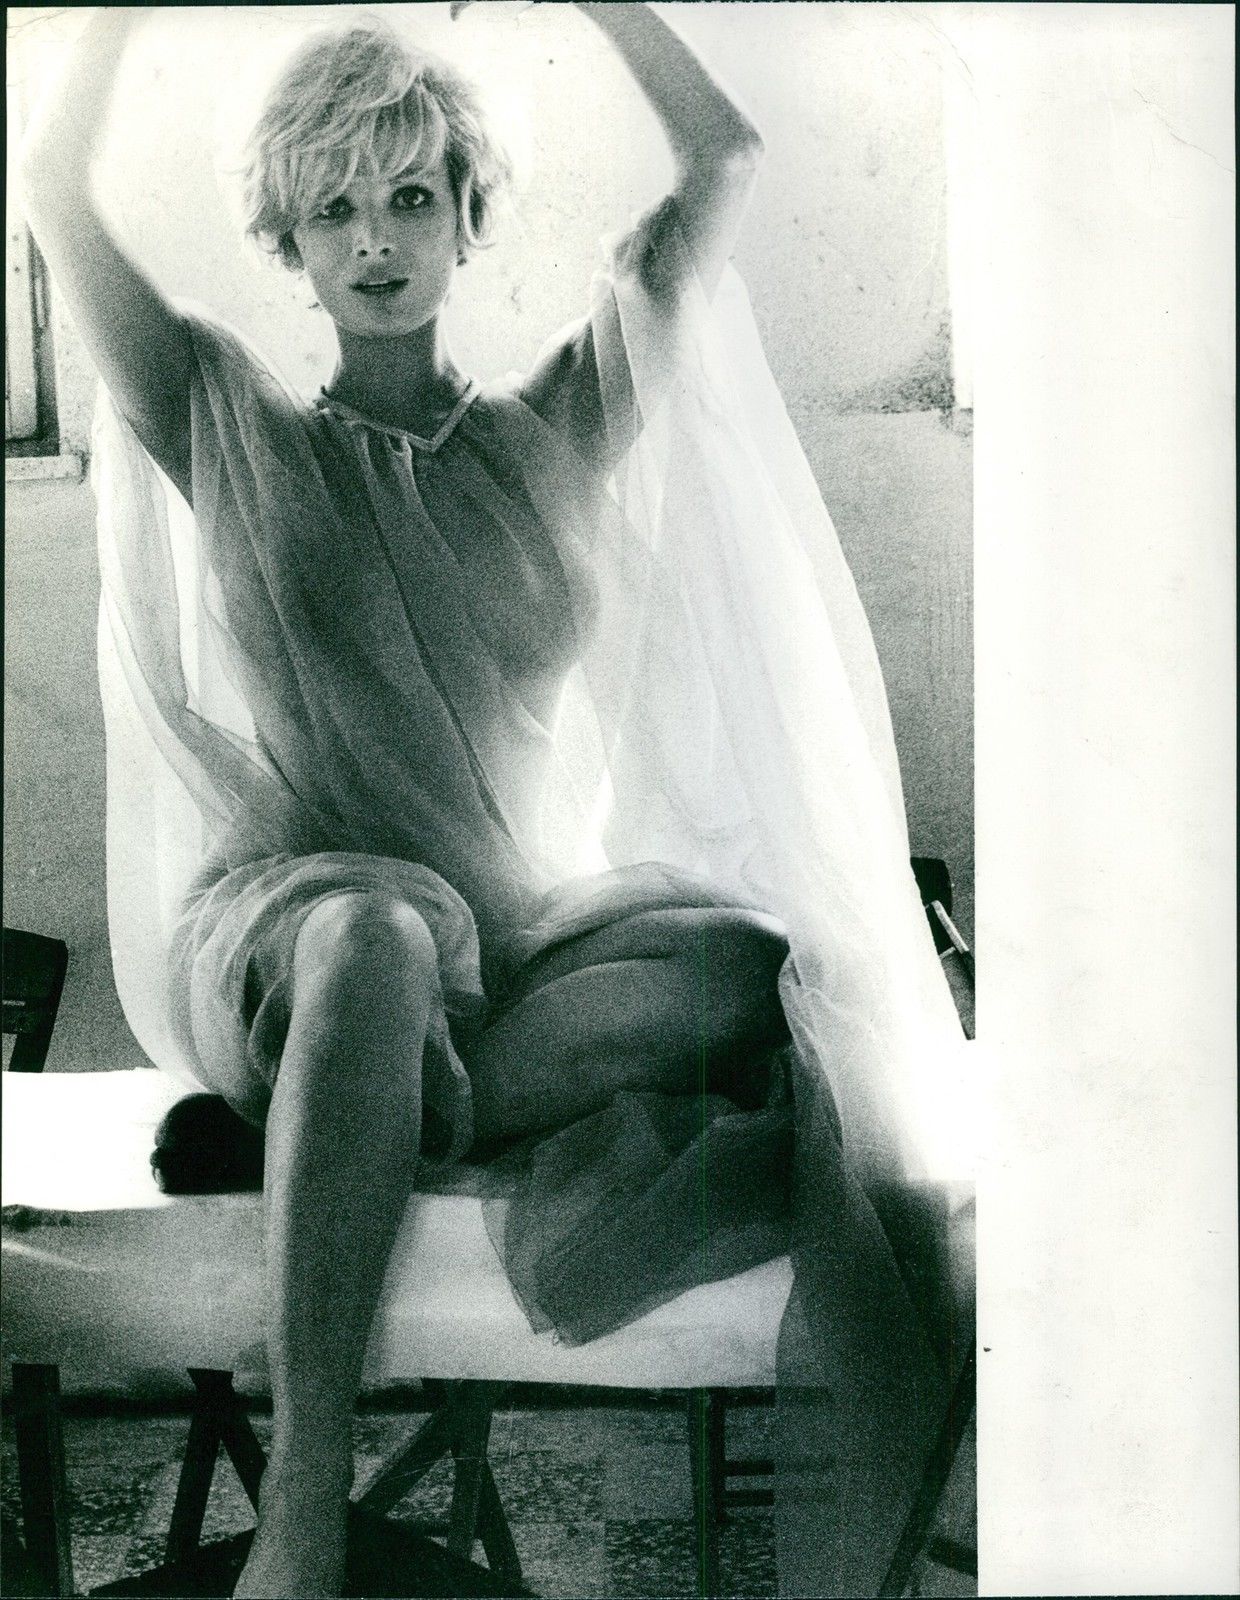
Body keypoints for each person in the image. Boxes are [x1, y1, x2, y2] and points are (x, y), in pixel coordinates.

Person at [19, 6, 968, 1596]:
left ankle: (373, 1107)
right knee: (381, 937)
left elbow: (724, 158)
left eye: (410, 196)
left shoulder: (556, 427)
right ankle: (305, 1505)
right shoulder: (221, 415)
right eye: (332, 207)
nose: (374, 240)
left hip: (511, 937)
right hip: (305, 919)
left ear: (469, 214)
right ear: (288, 242)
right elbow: (52, 187)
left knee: (761, 965)